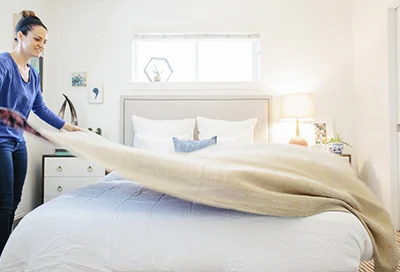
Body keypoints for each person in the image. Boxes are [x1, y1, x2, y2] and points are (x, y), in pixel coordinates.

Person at [0, 10, 82, 256]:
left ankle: (8, 245)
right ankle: (4, 255)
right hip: (1, 142)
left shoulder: (33, 74)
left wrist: (68, 127)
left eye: (44, 41)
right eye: (37, 39)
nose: (41, 45)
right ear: (20, 36)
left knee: (15, 200)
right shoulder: (4, 63)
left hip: (17, 142)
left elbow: (40, 108)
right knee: (4, 203)